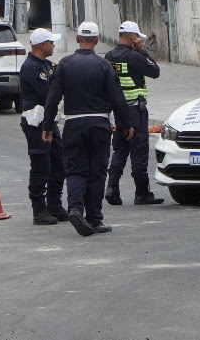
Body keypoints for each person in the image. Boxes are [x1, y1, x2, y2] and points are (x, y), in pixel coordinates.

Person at [42, 21, 133, 237]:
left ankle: (75, 209)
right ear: (97, 40)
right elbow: (117, 98)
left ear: (77, 39)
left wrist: (47, 126)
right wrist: (127, 124)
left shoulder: (63, 64)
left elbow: (52, 98)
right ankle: (94, 218)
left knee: (75, 169)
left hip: (73, 124)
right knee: (97, 171)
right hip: (99, 124)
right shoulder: (104, 66)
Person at [105, 21, 164, 206]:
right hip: (135, 111)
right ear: (132, 37)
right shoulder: (134, 57)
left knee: (120, 149)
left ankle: (111, 188)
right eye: (138, 37)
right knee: (139, 150)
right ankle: (142, 192)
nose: (139, 40)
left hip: (118, 111)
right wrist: (142, 51)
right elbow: (155, 71)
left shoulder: (109, 56)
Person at [19, 27, 66, 226]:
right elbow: (48, 94)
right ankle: (39, 210)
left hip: (48, 120)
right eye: (51, 42)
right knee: (41, 165)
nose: (54, 45)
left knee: (59, 163)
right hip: (35, 121)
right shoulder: (31, 67)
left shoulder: (47, 64)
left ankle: (54, 205)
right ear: (41, 45)